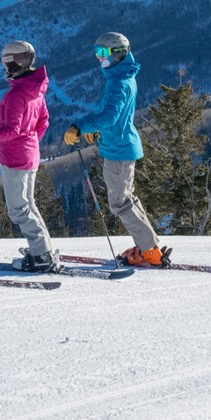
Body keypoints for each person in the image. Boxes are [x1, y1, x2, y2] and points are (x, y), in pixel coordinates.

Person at [64, 31, 166, 268]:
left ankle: (149, 250)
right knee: (126, 199)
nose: (99, 58)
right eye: (96, 53)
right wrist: (97, 130)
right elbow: (115, 117)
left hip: (119, 150)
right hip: (119, 144)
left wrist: (80, 126)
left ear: (118, 54)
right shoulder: (120, 76)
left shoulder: (119, 82)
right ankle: (147, 246)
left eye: (103, 53)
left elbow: (110, 116)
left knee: (120, 203)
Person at [0, 40, 59, 273]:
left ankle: (41, 255)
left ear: (15, 62)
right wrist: (31, 142)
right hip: (29, 155)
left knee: (18, 210)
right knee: (28, 205)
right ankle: (43, 249)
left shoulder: (16, 94)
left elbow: (11, 131)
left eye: (7, 61)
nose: (5, 67)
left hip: (15, 157)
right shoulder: (35, 89)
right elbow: (43, 121)